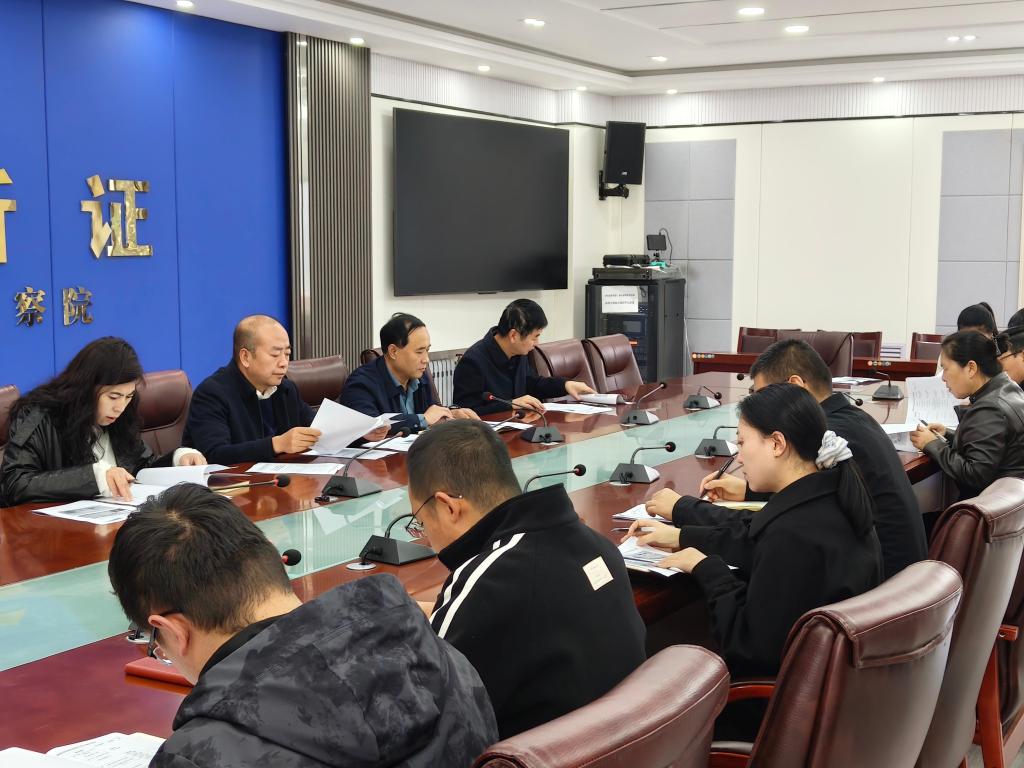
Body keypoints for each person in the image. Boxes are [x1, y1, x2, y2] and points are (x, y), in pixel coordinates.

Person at [107, 484, 498, 768]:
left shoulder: (198, 756)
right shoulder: (444, 659)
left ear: (172, 630)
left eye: (156, 644)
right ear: (272, 562)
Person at [406, 419, 646, 738]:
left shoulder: (487, 581)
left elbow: (423, 708)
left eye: (420, 523)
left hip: (542, 754)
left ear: (448, 507)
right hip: (621, 744)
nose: (425, 535)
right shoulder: (598, 545)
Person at [623, 384, 881, 678]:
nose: (739, 457)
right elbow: (755, 536)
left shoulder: (792, 534)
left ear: (777, 444)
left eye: (742, 442)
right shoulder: (835, 497)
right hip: (836, 684)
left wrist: (710, 571)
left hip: (774, 696)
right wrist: (686, 537)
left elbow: (747, 650)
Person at [646, 340, 923, 579]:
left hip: (879, 590)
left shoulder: (827, 437)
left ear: (795, 387)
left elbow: (772, 527)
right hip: (897, 585)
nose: (759, 408)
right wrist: (748, 491)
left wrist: (685, 510)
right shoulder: (850, 418)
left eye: (765, 395)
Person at [1, 337, 207, 506]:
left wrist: (177, 459)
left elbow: (140, 466)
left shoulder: (121, 416)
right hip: (55, 534)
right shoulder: (37, 415)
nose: (120, 407)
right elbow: (14, 484)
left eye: (128, 397)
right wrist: (94, 478)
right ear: (86, 388)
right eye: (113, 397)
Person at [182, 315, 325, 464]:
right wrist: (276, 444)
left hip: (281, 475)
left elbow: (316, 427)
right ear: (245, 357)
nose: (284, 363)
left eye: (287, 354)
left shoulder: (286, 389)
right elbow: (214, 454)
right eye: (275, 354)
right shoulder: (212, 394)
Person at [910, 330, 1024, 499]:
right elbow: (995, 444)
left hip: (988, 507)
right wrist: (948, 435)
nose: (943, 378)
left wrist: (932, 444)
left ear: (971, 368)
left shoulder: (989, 408)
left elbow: (974, 475)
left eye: (946, 369)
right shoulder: (1008, 387)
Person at [340, 313, 480, 436]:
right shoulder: (361, 383)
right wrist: (423, 419)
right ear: (393, 351)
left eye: (427, 350)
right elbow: (370, 426)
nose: (426, 359)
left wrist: (449, 415)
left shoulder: (419, 375)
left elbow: (432, 413)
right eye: (419, 352)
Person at [452, 299, 595, 415]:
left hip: (520, 427)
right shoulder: (473, 362)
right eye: (535, 337)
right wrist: (511, 404)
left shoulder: (518, 353)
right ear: (513, 335)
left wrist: (565, 385)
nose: (537, 343)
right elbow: (465, 413)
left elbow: (533, 384)